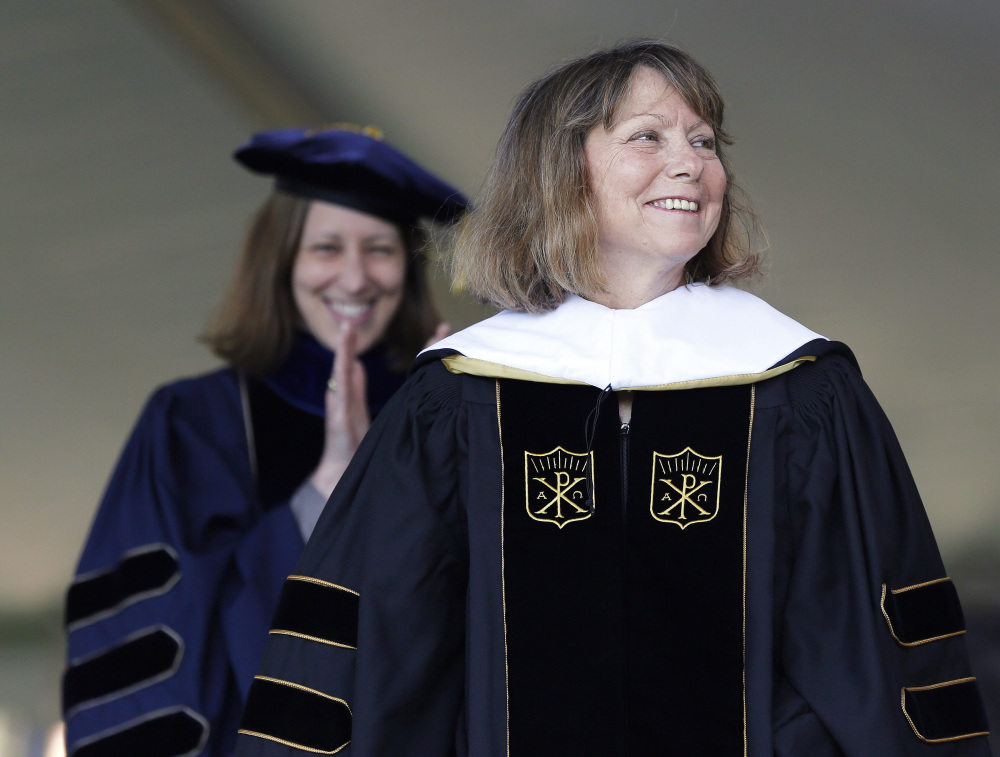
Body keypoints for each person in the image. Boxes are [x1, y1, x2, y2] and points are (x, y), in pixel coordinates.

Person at [234, 42, 992, 757]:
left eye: (703, 141)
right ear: (563, 173)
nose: (689, 165)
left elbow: (873, 646)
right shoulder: (460, 396)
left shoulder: (798, 387)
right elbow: (378, 639)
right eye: (648, 137)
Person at [62, 126, 467, 757]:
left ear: (408, 268)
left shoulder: (449, 421)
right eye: (327, 247)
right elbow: (149, 643)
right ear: (280, 261)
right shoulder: (194, 424)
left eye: (381, 250)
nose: (356, 278)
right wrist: (324, 492)